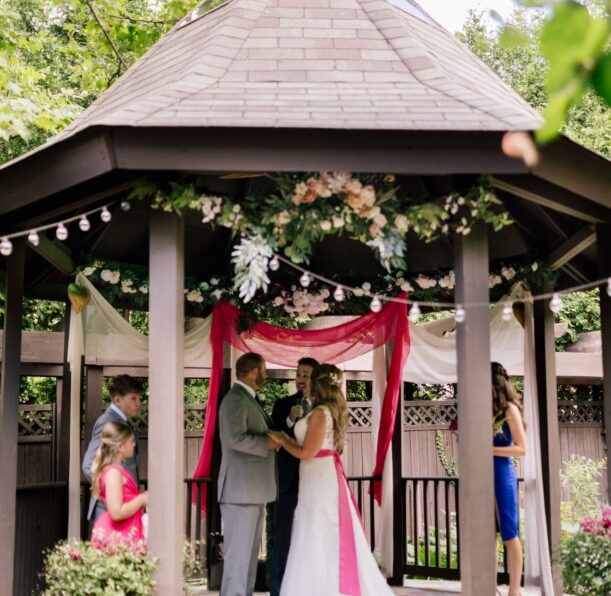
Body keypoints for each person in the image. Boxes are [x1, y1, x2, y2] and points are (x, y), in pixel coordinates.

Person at [269, 364, 393, 596]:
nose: (305, 383)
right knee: (315, 528)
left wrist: (283, 439)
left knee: (316, 528)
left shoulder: (320, 413)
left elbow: (307, 453)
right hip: (317, 477)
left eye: (310, 379)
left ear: (318, 384)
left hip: (317, 479)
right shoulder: (327, 411)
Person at [218, 352, 277, 596]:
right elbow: (233, 439)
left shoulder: (247, 398)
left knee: (249, 559)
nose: (265, 374)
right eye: (263, 370)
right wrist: (267, 443)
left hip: (251, 491)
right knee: (238, 559)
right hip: (240, 491)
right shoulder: (236, 400)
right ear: (253, 372)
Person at [269, 357, 319, 596]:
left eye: (306, 374)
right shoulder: (282, 405)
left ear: (316, 378)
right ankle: (279, 590)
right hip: (288, 480)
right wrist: (290, 419)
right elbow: (275, 435)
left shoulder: (324, 407)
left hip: (316, 480)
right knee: (283, 536)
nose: (300, 379)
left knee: (313, 535)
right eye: (298, 374)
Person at [82, 375, 143, 524]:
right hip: (109, 508)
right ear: (117, 400)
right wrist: (114, 490)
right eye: (133, 398)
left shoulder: (121, 421)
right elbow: (88, 465)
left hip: (122, 506)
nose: (139, 403)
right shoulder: (107, 422)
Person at [491, 362, 527, 596]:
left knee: (509, 534)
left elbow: (521, 449)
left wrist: (490, 450)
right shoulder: (488, 411)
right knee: (487, 535)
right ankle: (489, 587)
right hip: (482, 475)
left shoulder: (510, 411)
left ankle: (514, 591)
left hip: (502, 474)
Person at [90, 421, 148, 549]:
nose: (134, 444)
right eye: (131, 441)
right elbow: (116, 512)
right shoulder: (113, 474)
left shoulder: (116, 471)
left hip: (125, 533)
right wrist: (141, 499)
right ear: (120, 446)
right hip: (116, 537)